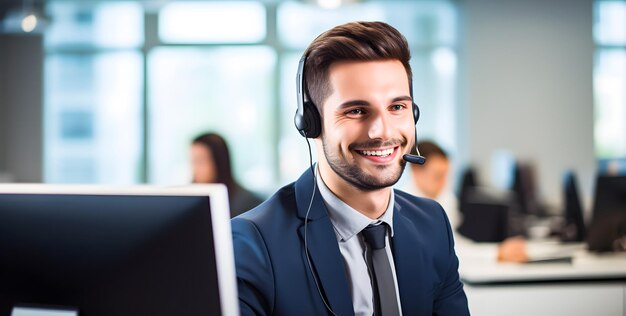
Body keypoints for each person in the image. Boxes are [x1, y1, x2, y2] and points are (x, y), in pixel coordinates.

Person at [232, 21, 469, 315]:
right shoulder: (254, 243)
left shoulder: (431, 224)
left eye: (397, 107)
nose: (382, 131)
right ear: (310, 123)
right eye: (356, 111)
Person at [190, 132, 263, 217]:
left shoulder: (248, 203)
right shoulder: (190, 201)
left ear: (219, 162)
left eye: (200, 161)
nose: (195, 168)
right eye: (192, 161)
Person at [407, 140, 461, 230]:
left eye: (446, 176)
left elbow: (454, 237)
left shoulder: (448, 197)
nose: (444, 183)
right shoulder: (402, 208)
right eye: (438, 176)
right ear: (415, 170)